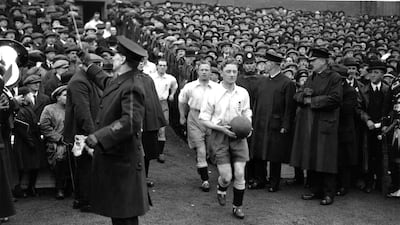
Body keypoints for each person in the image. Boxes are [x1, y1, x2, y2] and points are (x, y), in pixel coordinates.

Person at [84, 35, 149, 225]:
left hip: (124, 161)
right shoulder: (122, 79)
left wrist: (99, 136)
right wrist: (88, 65)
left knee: (125, 215)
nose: (112, 59)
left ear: (122, 60)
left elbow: (130, 122)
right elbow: (106, 83)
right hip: (118, 159)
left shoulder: (132, 86)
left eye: (115, 56)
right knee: (119, 211)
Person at [199, 58, 252, 219]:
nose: (231, 74)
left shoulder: (242, 92)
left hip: (238, 135)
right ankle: (222, 188)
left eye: (234, 71)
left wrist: (248, 125)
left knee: (240, 173)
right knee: (227, 176)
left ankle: (237, 207)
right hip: (219, 135)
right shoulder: (212, 93)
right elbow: (203, 118)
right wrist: (220, 128)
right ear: (221, 73)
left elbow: (246, 111)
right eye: (228, 71)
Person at [290, 48, 343, 206]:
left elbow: (335, 99)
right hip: (311, 124)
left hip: (326, 123)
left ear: (323, 61)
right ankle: (315, 189)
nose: (310, 63)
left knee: (326, 159)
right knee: (313, 157)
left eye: (313, 61)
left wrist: (311, 101)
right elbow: (298, 95)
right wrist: (305, 97)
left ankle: (328, 193)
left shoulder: (334, 77)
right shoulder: (312, 77)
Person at [250, 52, 296, 192]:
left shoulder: (287, 83)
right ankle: (260, 179)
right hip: (260, 122)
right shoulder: (262, 81)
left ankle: (274, 182)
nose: (265, 65)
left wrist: (285, 125)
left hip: (275, 123)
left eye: (268, 63)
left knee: (274, 154)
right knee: (259, 152)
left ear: (275, 64)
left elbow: (289, 107)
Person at [64, 54, 103, 212]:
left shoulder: (85, 79)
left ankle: (82, 198)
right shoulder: (80, 81)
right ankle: (86, 200)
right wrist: (93, 135)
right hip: (83, 133)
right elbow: (83, 112)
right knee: (87, 166)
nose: (98, 69)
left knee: (84, 166)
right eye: (96, 65)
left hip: (84, 132)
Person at [178, 60, 217, 192]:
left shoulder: (217, 88)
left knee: (211, 149)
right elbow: (182, 101)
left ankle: (202, 165)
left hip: (211, 119)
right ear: (197, 71)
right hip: (195, 117)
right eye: (202, 70)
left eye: (207, 70)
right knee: (200, 148)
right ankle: (205, 180)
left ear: (210, 71)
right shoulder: (190, 87)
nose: (204, 72)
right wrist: (182, 116)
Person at [359, 60, 392, 193]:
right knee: (368, 154)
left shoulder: (388, 90)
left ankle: (380, 182)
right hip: (368, 127)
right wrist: (367, 120)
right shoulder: (363, 89)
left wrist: (385, 123)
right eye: (371, 72)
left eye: (376, 72)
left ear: (383, 74)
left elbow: (391, 109)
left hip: (383, 128)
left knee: (381, 155)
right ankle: (368, 181)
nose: (373, 75)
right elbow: (359, 108)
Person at [13, 87, 43, 198]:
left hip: (30, 140)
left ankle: (30, 187)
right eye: (29, 94)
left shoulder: (26, 108)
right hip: (25, 142)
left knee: (33, 166)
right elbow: (22, 128)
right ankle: (19, 189)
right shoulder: (21, 110)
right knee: (22, 166)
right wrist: (30, 141)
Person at [40, 85, 69, 199]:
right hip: (56, 143)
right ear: (57, 97)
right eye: (65, 95)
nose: (68, 98)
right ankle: (60, 188)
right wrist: (59, 138)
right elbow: (45, 127)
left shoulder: (73, 108)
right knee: (60, 158)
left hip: (72, 141)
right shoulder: (49, 109)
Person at [150, 58, 178, 163]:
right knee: (151, 126)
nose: (162, 67)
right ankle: (151, 149)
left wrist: (172, 94)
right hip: (152, 103)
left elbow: (175, 86)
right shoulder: (151, 77)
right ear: (157, 66)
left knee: (162, 128)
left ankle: (160, 153)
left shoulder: (170, 78)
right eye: (160, 65)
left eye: (164, 65)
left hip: (163, 103)